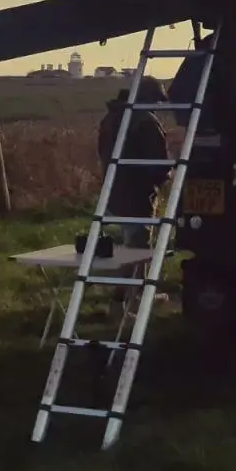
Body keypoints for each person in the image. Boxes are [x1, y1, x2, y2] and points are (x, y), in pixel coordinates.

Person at [96, 77, 173, 319]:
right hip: (137, 193)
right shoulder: (145, 122)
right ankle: (119, 303)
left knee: (137, 245)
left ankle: (136, 296)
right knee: (137, 247)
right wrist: (167, 175)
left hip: (114, 189)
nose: (158, 106)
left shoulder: (111, 118)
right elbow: (157, 164)